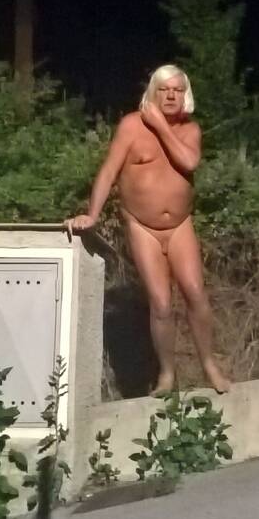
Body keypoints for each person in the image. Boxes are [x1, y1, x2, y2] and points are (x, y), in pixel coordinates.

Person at [65, 64, 231, 394]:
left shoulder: (190, 130)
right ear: (152, 93)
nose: (170, 96)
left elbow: (189, 162)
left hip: (180, 225)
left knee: (195, 293)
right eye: (164, 90)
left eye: (177, 90)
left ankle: (210, 365)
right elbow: (108, 172)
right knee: (161, 303)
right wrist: (92, 215)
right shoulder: (131, 125)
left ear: (186, 95)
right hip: (142, 227)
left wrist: (161, 126)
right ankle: (166, 374)